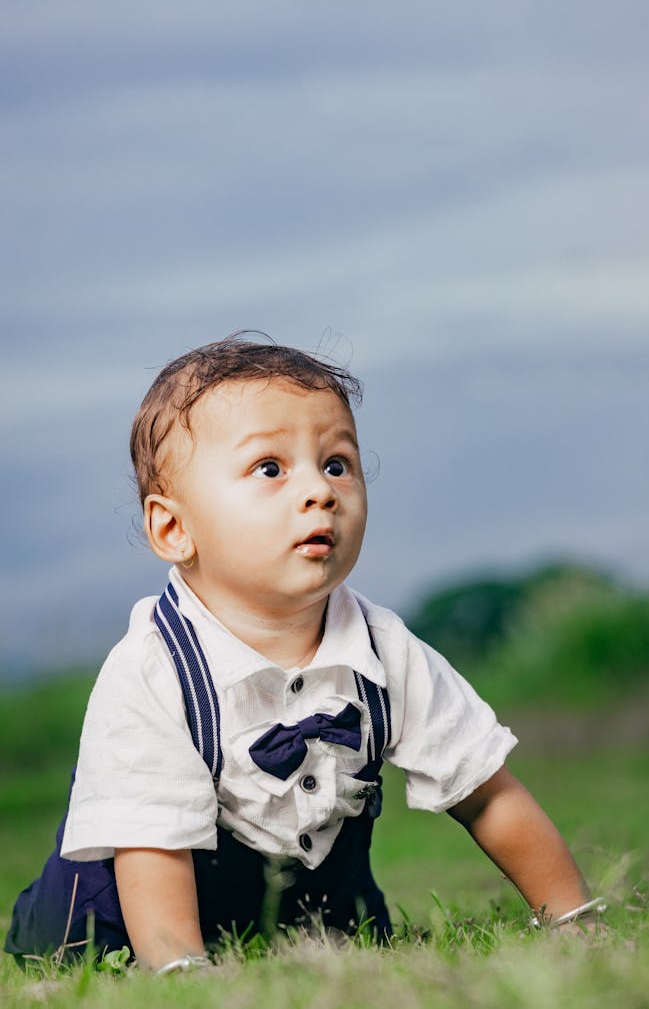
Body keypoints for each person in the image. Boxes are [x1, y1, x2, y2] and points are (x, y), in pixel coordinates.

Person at [6, 335, 602, 972]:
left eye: (337, 463)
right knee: (99, 938)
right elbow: (152, 852)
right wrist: (183, 975)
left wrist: (573, 918)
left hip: (315, 911)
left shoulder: (384, 651)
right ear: (174, 529)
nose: (320, 491)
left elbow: (489, 793)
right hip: (123, 918)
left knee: (346, 939)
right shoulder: (153, 671)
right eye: (270, 469)